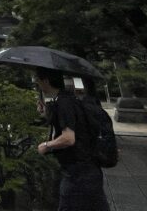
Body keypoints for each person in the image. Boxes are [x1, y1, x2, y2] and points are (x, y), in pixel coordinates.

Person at [35, 67, 110, 211]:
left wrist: (46, 145)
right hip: (89, 167)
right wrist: (46, 113)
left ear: (46, 80)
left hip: (77, 172)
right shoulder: (68, 99)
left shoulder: (64, 103)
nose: (37, 84)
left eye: (38, 80)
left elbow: (69, 138)